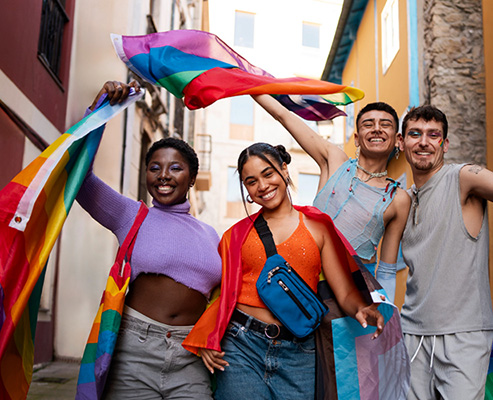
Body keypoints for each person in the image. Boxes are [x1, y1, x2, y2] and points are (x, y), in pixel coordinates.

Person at [182, 142, 385, 399]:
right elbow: (221, 296)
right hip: (241, 346)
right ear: (246, 189)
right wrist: (209, 339)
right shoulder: (235, 236)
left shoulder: (318, 227)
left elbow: (343, 291)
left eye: (268, 174)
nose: (263, 186)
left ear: (284, 170)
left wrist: (362, 308)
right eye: (251, 181)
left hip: (300, 352)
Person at [76, 81, 222, 399]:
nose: (163, 174)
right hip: (134, 352)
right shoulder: (130, 215)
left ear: (192, 178)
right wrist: (99, 109)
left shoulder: (211, 235)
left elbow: (224, 294)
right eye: (154, 167)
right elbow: (81, 179)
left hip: (191, 356)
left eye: (175, 168)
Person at [253, 94, 411, 302]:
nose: (376, 129)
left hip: (355, 292)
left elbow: (388, 271)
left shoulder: (398, 198)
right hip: (303, 281)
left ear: (398, 140)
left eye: (386, 124)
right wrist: (247, 84)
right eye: (368, 124)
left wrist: (386, 314)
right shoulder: (334, 160)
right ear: (356, 137)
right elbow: (283, 115)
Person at [398, 105, 493, 400]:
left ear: (445, 144)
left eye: (433, 135)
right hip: (412, 333)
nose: (423, 142)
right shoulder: (404, 199)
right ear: (401, 143)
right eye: (415, 134)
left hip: (463, 334)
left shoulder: (463, 178)